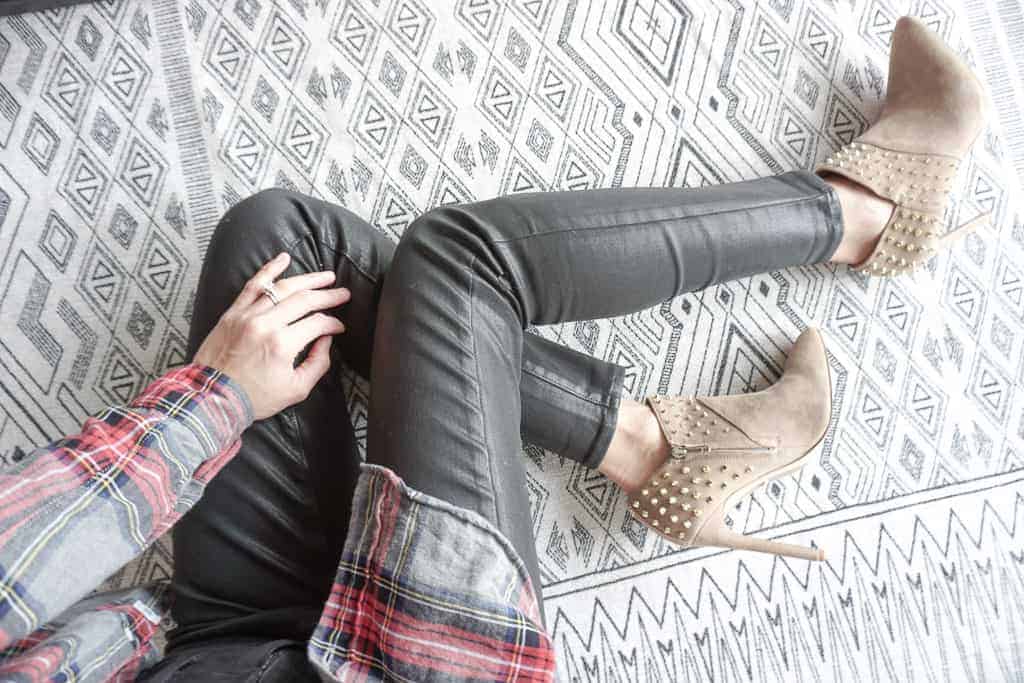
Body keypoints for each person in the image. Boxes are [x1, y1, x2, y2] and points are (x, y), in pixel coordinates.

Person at [0, 16, 988, 681]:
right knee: (464, 260)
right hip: (403, 664)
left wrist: (222, 393)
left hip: (207, 647)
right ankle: (861, 209)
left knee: (281, 248)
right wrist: (213, 401)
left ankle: (647, 445)